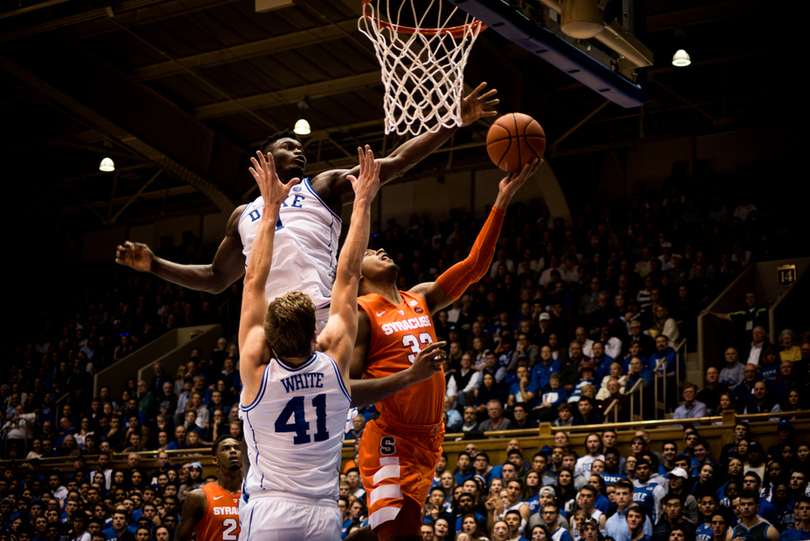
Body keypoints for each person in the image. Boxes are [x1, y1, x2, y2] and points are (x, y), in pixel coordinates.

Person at [115, 84, 499, 333]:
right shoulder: (241, 215)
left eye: (298, 146)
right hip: (271, 322)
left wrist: (452, 123)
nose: (297, 148)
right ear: (265, 157)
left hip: (321, 312)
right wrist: (155, 265)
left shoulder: (324, 186)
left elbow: (395, 162)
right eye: (287, 145)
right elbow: (216, 278)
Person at [349, 160, 540, 541]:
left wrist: (502, 199)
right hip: (391, 441)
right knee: (401, 534)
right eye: (371, 251)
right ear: (356, 274)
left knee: (387, 533)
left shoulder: (418, 297)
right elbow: (347, 390)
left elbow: (473, 267)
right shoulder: (359, 314)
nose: (382, 248)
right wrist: (411, 375)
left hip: (430, 438)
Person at [234, 147, 380, 540]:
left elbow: (253, 281)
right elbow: (348, 276)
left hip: (270, 510)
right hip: (322, 514)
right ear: (316, 334)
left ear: (269, 338)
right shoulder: (333, 360)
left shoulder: (257, 371)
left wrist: (270, 210)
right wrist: (363, 201)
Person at [175, 435, 242, 541]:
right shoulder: (198, 496)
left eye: (237, 448)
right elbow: (180, 538)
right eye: (225, 449)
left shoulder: (253, 494)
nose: (233, 451)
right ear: (215, 460)